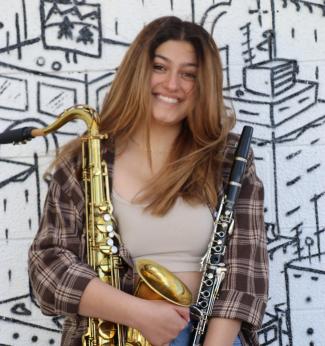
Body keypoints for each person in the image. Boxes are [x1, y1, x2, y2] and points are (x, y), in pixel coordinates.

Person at [28, 16, 268, 346]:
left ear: (204, 85)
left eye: (189, 74)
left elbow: (246, 271)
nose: (172, 84)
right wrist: (137, 313)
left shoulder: (229, 158)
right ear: (139, 72)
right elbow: (48, 266)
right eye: (160, 67)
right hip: (116, 332)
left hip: (210, 337)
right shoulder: (85, 159)